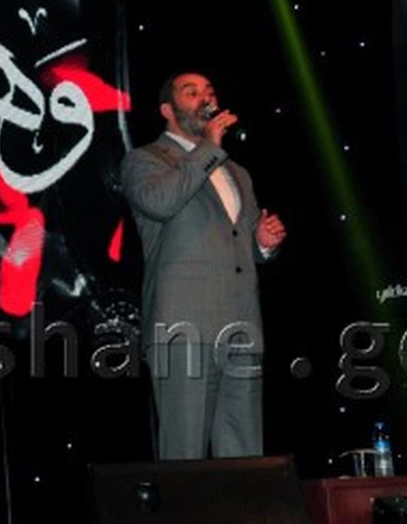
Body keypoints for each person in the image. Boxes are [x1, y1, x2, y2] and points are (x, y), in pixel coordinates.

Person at [119, 70, 288, 460]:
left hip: (241, 324)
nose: (205, 98)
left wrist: (264, 244)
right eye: (191, 92)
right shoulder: (145, 160)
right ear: (167, 109)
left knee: (244, 455)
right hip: (184, 326)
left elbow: (243, 244)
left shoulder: (237, 173)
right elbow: (160, 203)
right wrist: (208, 148)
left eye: (209, 91)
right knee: (185, 454)